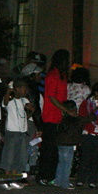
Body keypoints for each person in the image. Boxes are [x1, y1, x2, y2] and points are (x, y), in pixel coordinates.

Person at [37, 49, 70, 185]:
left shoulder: (62, 75)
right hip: (51, 116)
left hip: (58, 116)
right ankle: (42, 176)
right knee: (48, 149)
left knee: (55, 149)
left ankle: (51, 176)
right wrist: (65, 109)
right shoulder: (52, 75)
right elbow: (51, 97)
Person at [0, 78, 33, 176]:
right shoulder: (10, 99)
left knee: (19, 154)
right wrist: (8, 91)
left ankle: (14, 175)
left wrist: (30, 110)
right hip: (12, 130)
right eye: (24, 89)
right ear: (17, 89)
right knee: (9, 154)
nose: (26, 91)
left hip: (22, 130)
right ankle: (7, 176)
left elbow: (29, 113)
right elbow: (5, 103)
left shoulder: (24, 100)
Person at [53, 100, 85, 189]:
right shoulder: (74, 120)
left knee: (61, 162)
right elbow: (84, 121)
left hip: (61, 142)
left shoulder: (63, 119)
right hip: (68, 143)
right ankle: (65, 183)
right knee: (67, 164)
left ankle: (58, 181)